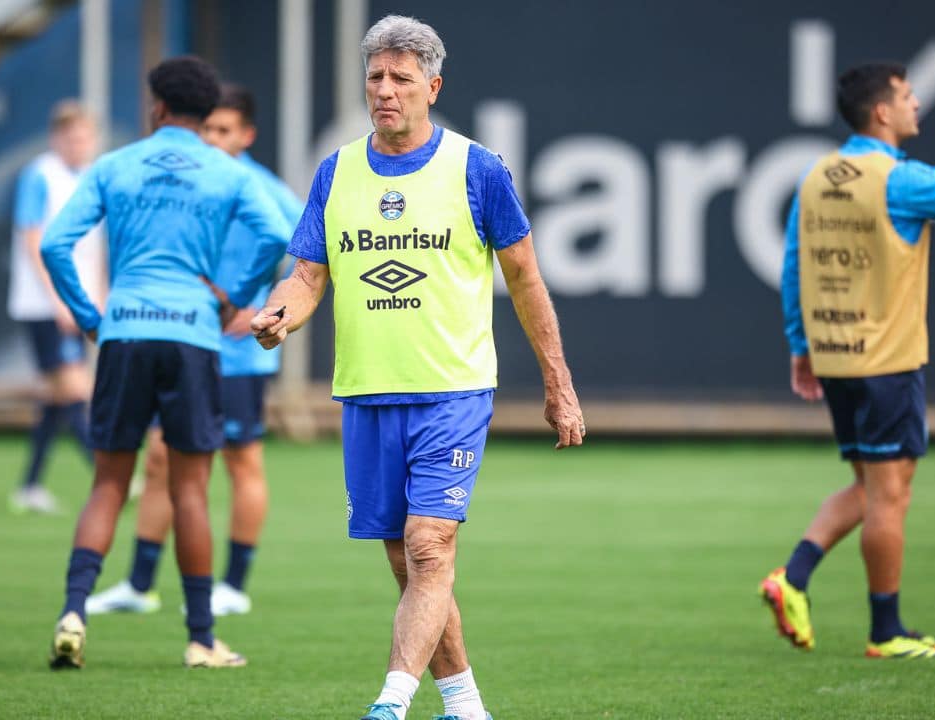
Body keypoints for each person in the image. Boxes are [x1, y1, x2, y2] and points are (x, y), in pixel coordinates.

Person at [249, 15, 584, 720]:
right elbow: (308, 275)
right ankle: (465, 705)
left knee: (430, 547)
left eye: (401, 78)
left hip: (453, 390)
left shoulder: (478, 169)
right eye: (375, 76)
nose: (385, 90)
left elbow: (526, 280)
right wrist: (280, 310)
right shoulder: (336, 171)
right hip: (368, 392)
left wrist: (560, 386)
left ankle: (389, 703)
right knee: (409, 565)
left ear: (433, 85)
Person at [761, 62, 935, 660]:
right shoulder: (898, 180)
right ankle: (887, 632)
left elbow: (792, 266)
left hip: (836, 355)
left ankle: (794, 577)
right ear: (881, 111)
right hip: (886, 360)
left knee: (871, 483)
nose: (916, 106)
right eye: (908, 97)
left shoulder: (816, 175)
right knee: (890, 495)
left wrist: (800, 345)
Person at [39, 56, 292, 670]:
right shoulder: (227, 173)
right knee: (191, 490)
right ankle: (202, 638)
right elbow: (279, 237)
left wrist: (91, 317)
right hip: (194, 337)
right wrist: (235, 294)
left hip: (124, 331)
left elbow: (53, 244)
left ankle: (74, 610)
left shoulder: (115, 166)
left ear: (156, 107)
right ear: (208, 116)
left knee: (108, 481)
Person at [86, 84, 303, 617]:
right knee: (161, 459)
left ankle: (233, 583)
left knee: (240, 462)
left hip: (238, 351)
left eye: (225, 131)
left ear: (246, 135)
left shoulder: (262, 187)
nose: (213, 139)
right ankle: (139, 585)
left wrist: (256, 309)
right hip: (188, 340)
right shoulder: (195, 179)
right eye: (208, 128)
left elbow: (307, 254)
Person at [6, 100, 106, 514]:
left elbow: (96, 247)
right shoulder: (40, 175)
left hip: (79, 302)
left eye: (84, 137)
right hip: (45, 305)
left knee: (55, 398)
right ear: (56, 139)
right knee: (75, 391)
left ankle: (29, 486)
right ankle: (112, 476)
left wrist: (98, 293)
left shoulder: (93, 178)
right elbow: (34, 242)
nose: (78, 144)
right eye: (71, 137)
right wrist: (60, 300)